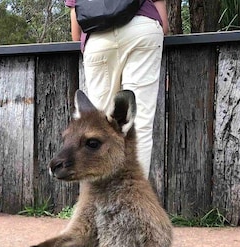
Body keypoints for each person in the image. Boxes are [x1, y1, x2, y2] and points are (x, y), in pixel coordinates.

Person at [67, 0, 169, 177]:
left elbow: (76, 33)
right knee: (139, 124)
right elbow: (164, 23)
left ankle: (97, 200)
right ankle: (134, 198)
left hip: (98, 37)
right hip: (142, 30)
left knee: (95, 127)